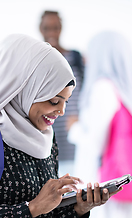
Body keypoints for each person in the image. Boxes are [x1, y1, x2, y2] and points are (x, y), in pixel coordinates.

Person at [0, 34, 122, 218]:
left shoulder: (46, 138)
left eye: (66, 101)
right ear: (24, 88)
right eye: (55, 101)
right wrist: (32, 208)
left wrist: (80, 208)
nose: (61, 111)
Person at [68, 31, 132, 218]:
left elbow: (95, 145)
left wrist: (74, 129)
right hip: (122, 185)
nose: (85, 58)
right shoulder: (128, 93)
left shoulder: (102, 89)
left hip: (102, 187)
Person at [39, 11, 84, 176]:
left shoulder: (76, 59)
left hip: (74, 146)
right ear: (40, 29)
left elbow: (87, 97)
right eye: (47, 28)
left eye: (55, 28)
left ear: (61, 28)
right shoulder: (36, 61)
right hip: (45, 148)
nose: (51, 33)